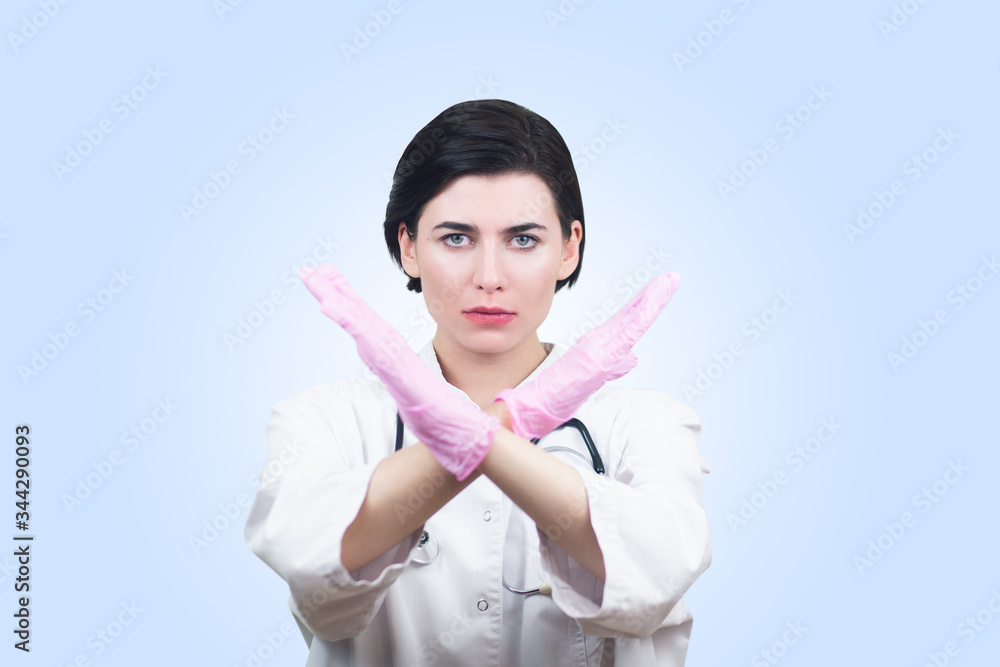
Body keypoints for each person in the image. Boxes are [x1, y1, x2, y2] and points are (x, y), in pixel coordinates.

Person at [243, 99, 712, 666]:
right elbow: (314, 573)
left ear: (569, 248)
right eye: (456, 238)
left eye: (523, 239)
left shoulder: (646, 423)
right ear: (409, 247)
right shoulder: (323, 419)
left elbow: (656, 576)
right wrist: (514, 421)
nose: (489, 277)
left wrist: (477, 432)